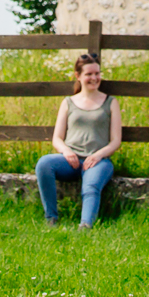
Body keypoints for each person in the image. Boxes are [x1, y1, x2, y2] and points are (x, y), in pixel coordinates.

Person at [35, 52, 122, 228]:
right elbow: (57, 138)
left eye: (97, 73)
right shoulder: (68, 102)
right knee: (44, 164)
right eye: (89, 74)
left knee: (90, 187)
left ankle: (85, 226)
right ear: (78, 76)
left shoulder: (111, 102)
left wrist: (98, 155)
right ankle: (51, 219)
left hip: (98, 161)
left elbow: (115, 141)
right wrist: (67, 152)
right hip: (70, 160)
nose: (94, 78)